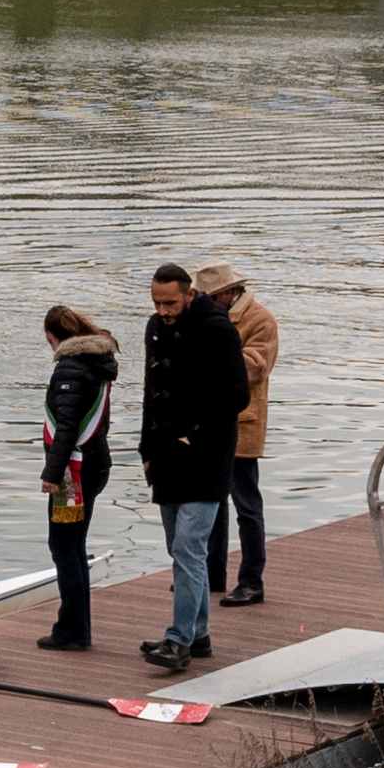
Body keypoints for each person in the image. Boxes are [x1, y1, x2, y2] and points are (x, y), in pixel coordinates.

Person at [135, 261, 245, 672]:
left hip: (205, 456)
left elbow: (237, 396)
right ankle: (198, 635)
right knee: (178, 550)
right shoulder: (154, 327)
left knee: (188, 548)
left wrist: (194, 433)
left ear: (189, 294)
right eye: (157, 303)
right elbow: (151, 390)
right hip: (165, 455)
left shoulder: (216, 328)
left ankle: (178, 640)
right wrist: (145, 447)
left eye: (170, 303)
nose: (163, 310)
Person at [34, 302, 120, 650]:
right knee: (73, 546)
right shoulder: (97, 364)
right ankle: (75, 625)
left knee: (64, 547)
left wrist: (51, 474)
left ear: (52, 337)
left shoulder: (69, 369)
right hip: (95, 463)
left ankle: (73, 630)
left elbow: (67, 427)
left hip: (73, 473)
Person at [210, 269, 281, 606]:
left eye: (210, 297)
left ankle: (252, 581)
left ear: (228, 292)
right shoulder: (212, 316)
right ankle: (212, 573)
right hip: (210, 424)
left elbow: (256, 367)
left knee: (246, 505)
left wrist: (213, 350)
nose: (206, 303)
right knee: (210, 502)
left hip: (243, 424)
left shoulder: (261, 320)